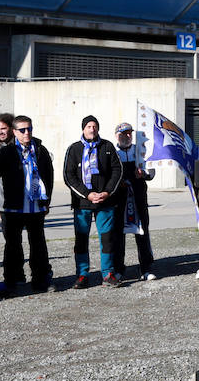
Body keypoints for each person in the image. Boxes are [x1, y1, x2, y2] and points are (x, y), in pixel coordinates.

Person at [0, 114, 55, 293]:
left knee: (38, 243)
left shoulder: (40, 149)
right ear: (15, 132)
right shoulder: (7, 151)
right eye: (23, 130)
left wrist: (47, 200)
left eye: (30, 129)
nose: (27, 133)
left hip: (36, 206)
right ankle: (14, 280)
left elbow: (48, 175)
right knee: (12, 245)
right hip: (13, 207)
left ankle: (41, 279)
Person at [63, 115, 123, 288]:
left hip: (105, 202)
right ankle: (82, 275)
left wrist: (107, 192)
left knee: (107, 238)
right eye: (89, 126)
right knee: (81, 240)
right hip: (83, 203)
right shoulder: (74, 149)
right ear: (83, 129)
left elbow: (117, 171)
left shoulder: (108, 147)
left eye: (95, 126)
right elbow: (69, 176)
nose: (92, 129)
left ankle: (108, 273)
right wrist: (87, 194)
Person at [113, 121, 157, 280]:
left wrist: (143, 174)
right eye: (124, 133)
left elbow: (151, 173)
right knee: (118, 233)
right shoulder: (112, 152)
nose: (128, 136)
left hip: (138, 196)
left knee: (142, 231)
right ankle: (118, 268)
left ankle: (146, 267)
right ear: (117, 135)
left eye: (130, 133)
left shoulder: (140, 150)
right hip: (120, 198)